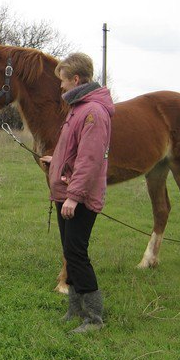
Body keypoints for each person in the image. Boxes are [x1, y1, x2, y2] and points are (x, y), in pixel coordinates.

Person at [39, 53, 114, 333]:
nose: (60, 87)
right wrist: (54, 162)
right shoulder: (77, 108)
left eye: (62, 82)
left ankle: (94, 318)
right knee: (70, 253)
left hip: (79, 196)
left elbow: (90, 159)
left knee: (77, 254)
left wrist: (73, 196)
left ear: (76, 80)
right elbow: (72, 150)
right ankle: (75, 309)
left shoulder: (93, 112)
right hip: (68, 191)